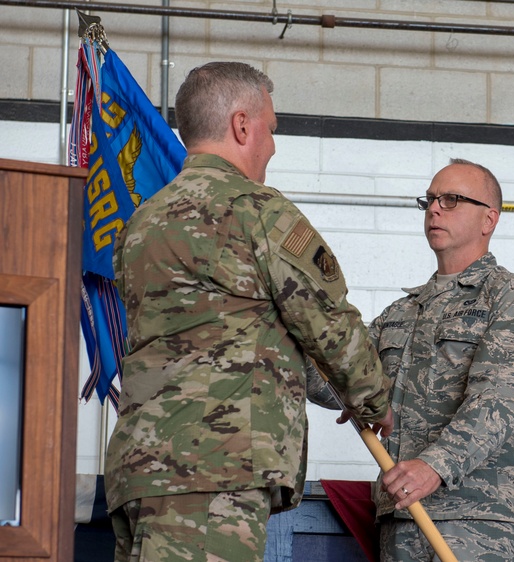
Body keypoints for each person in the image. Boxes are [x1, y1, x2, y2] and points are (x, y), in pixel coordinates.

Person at [105, 61, 393, 562]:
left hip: (141, 470)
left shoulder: (139, 224)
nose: (274, 146)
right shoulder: (256, 210)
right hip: (215, 470)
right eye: (272, 129)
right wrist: (375, 401)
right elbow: (328, 323)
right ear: (242, 125)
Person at [363, 159, 514, 561]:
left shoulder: (510, 296)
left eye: (451, 200)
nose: (434, 208)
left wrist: (434, 466)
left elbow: (502, 397)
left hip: (481, 523)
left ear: (489, 219)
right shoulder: (400, 312)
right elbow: (337, 380)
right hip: (402, 519)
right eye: (430, 199)